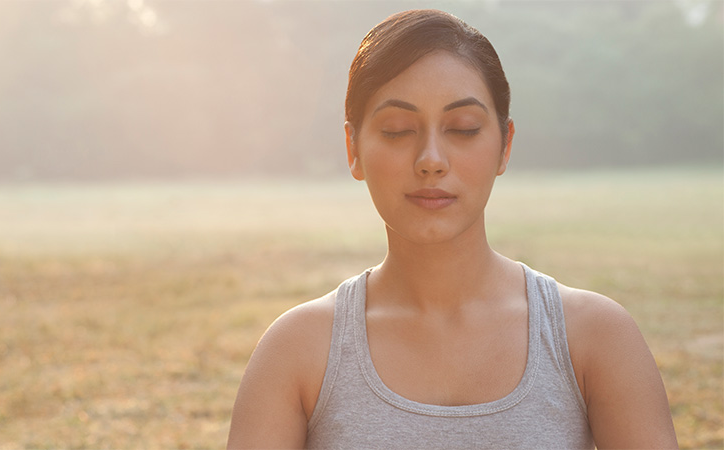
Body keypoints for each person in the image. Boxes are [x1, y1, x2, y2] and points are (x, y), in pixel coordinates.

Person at [227, 9, 678, 449]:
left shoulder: (595, 337)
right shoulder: (296, 353)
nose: (431, 160)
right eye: (398, 130)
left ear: (505, 146)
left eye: (462, 129)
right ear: (353, 148)